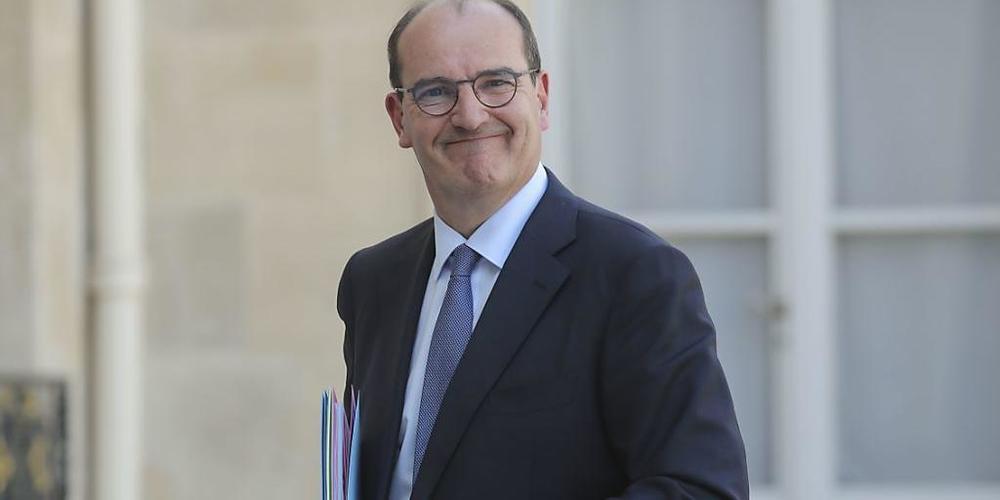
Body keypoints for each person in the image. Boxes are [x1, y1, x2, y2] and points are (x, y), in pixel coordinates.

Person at [337, 1, 749, 498]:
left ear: (543, 97)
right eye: (436, 92)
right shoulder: (374, 280)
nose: (470, 116)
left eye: (496, 83)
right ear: (399, 118)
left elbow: (700, 489)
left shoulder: (636, 274)